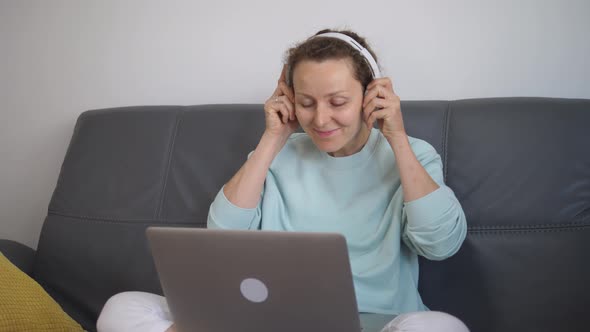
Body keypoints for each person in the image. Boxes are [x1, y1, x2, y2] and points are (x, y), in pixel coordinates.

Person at [97, 29, 469, 332]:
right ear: (289, 98)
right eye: (306, 102)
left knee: (442, 328)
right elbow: (222, 240)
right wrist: (273, 138)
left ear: (372, 95)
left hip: (375, 324)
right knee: (121, 308)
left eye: (337, 102)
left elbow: (440, 245)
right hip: (272, 322)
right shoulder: (276, 154)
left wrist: (397, 138)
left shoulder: (413, 154)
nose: (321, 120)